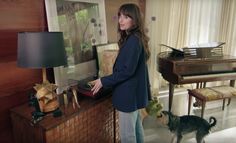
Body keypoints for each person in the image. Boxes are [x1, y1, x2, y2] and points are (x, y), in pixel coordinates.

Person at [90, 3, 151, 143]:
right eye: (120, 16)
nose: (121, 20)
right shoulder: (136, 38)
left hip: (128, 95)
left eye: (126, 17)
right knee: (136, 129)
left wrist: (102, 81)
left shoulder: (133, 41)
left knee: (127, 136)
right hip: (133, 94)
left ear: (134, 19)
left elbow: (127, 71)